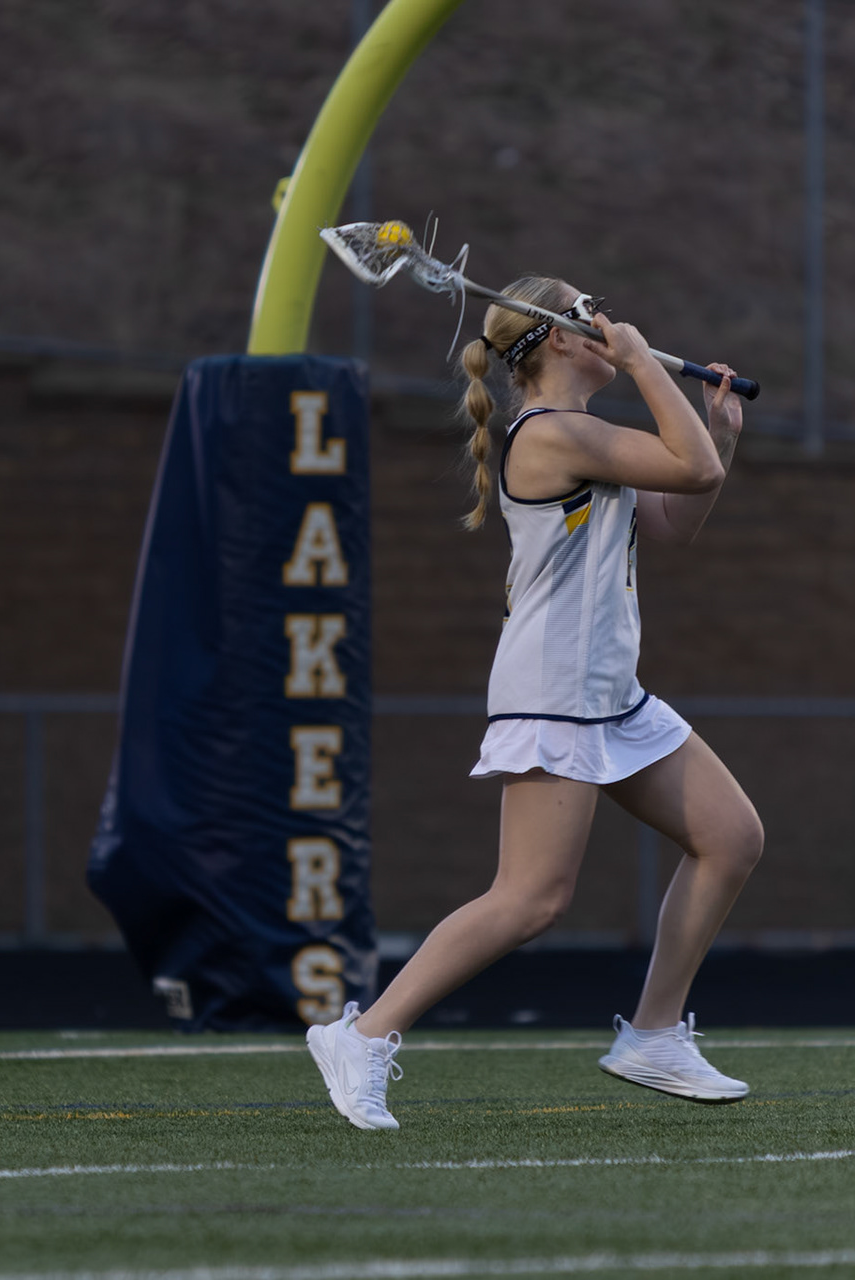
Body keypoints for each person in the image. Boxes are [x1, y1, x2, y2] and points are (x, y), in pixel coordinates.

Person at [307, 279, 764, 1131]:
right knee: (530, 899)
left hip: (609, 692)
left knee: (731, 837)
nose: (606, 321)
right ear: (557, 337)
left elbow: (679, 517)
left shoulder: (585, 435)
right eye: (589, 312)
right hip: (554, 694)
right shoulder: (552, 434)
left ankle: (654, 1034)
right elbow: (689, 464)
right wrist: (644, 364)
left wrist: (722, 437)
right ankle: (360, 1036)